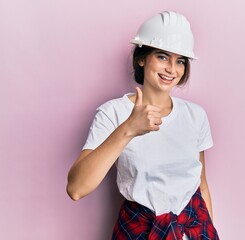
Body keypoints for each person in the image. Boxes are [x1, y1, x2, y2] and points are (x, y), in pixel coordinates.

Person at [66, 11, 220, 240]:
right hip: (139, 232)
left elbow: (202, 185)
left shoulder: (195, 115)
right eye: (162, 56)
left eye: (180, 61)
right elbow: (76, 189)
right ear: (141, 58)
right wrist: (129, 128)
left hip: (194, 229)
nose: (172, 69)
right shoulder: (113, 113)